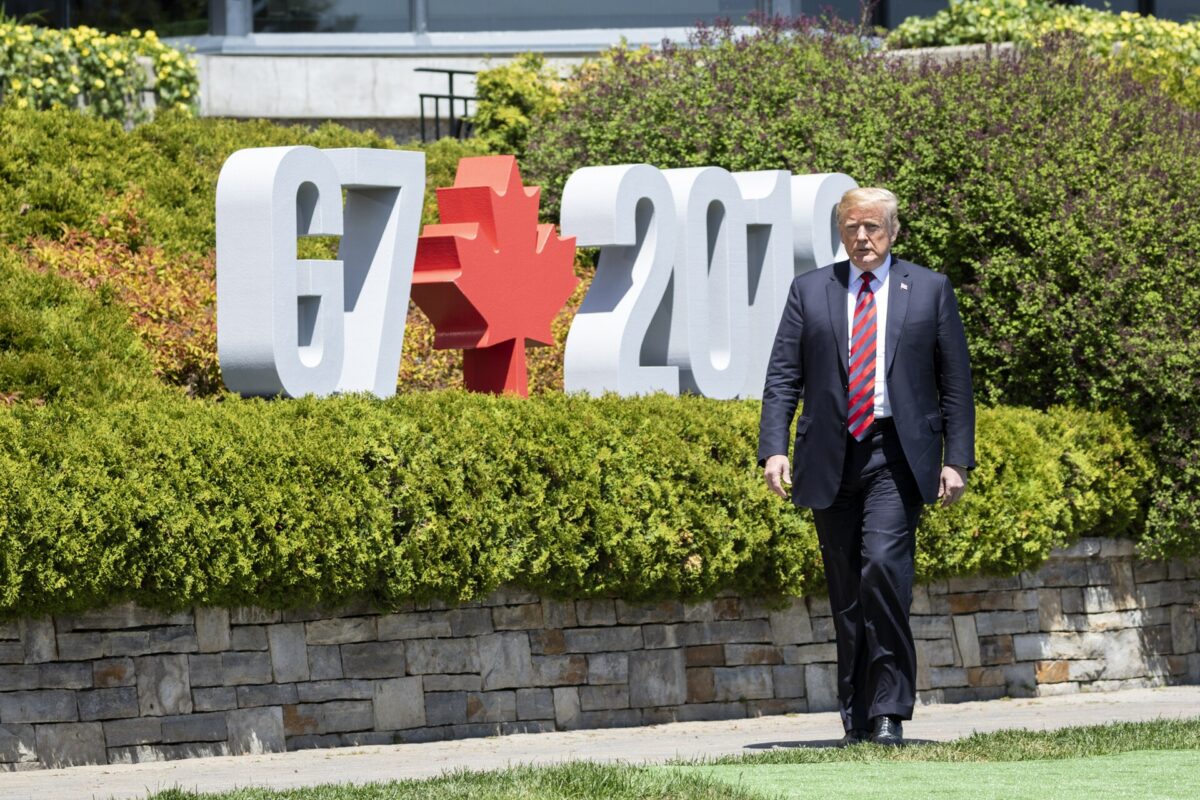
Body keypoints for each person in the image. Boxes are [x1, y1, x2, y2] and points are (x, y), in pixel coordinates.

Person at [758, 187, 975, 747]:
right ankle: (854, 713)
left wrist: (957, 460)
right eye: (852, 227)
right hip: (830, 456)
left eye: (873, 227)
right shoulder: (810, 290)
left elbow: (956, 385)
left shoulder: (929, 289)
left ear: (894, 232)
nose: (862, 237)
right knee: (846, 589)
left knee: (883, 568)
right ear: (840, 233)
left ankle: (888, 711)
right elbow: (784, 376)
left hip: (897, 455)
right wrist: (774, 447)